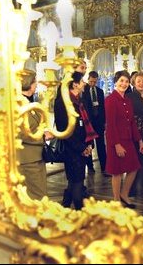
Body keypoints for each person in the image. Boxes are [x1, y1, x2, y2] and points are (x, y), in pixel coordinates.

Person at [54, 71, 98, 210]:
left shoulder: (81, 99)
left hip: (84, 145)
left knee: (75, 179)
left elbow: (87, 123)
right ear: (75, 84)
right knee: (77, 179)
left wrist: (89, 144)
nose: (84, 83)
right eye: (82, 81)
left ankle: (66, 205)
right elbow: (64, 129)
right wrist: (81, 148)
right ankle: (79, 210)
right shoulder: (62, 102)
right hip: (71, 148)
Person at [105, 70, 143, 208]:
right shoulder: (110, 100)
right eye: (121, 81)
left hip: (128, 140)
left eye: (126, 81)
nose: (124, 84)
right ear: (116, 82)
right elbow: (111, 125)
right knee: (117, 172)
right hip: (115, 141)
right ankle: (116, 200)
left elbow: (132, 122)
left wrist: (139, 141)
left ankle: (124, 194)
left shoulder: (127, 100)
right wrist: (116, 144)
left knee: (133, 168)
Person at [17, 69, 48, 200]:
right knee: (38, 198)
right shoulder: (19, 105)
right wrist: (43, 135)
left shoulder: (29, 102)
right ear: (29, 84)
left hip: (35, 158)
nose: (36, 85)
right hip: (27, 161)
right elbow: (20, 133)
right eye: (35, 82)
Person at [82, 71, 107, 174]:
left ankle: (104, 167)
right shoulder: (83, 91)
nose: (92, 84)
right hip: (89, 123)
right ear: (88, 79)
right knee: (89, 145)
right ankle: (90, 167)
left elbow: (103, 108)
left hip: (99, 123)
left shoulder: (100, 91)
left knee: (101, 145)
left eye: (95, 82)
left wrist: (104, 122)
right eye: (91, 81)